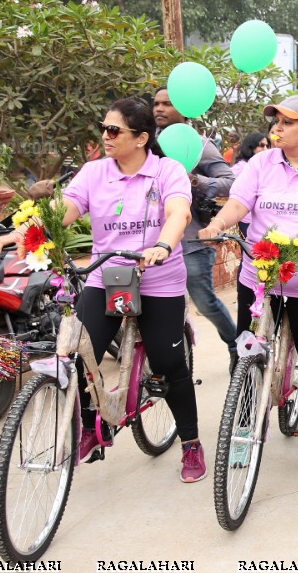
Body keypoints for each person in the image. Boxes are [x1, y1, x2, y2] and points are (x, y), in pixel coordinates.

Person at [47, 97, 204, 480]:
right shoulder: (94, 172)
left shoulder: (167, 171)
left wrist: (163, 245)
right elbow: (64, 211)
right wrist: (29, 230)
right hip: (108, 277)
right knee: (79, 356)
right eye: (103, 128)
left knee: (168, 365)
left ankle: (191, 444)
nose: (106, 136)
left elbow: (179, 212)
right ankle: (90, 427)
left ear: (141, 138)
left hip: (157, 279)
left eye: (114, 130)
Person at [198, 95, 298, 468]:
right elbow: (239, 203)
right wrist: (218, 224)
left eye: (286, 122)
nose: (276, 128)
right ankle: (245, 428)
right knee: (248, 353)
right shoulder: (261, 163)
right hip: (260, 276)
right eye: (274, 121)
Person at [153, 88, 239, 372]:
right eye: (156, 103)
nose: (160, 109)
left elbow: (230, 181)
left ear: (184, 109)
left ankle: (236, 345)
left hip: (191, 242)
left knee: (205, 304)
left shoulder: (201, 145)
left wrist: (196, 181)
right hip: (152, 241)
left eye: (168, 103)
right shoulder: (146, 146)